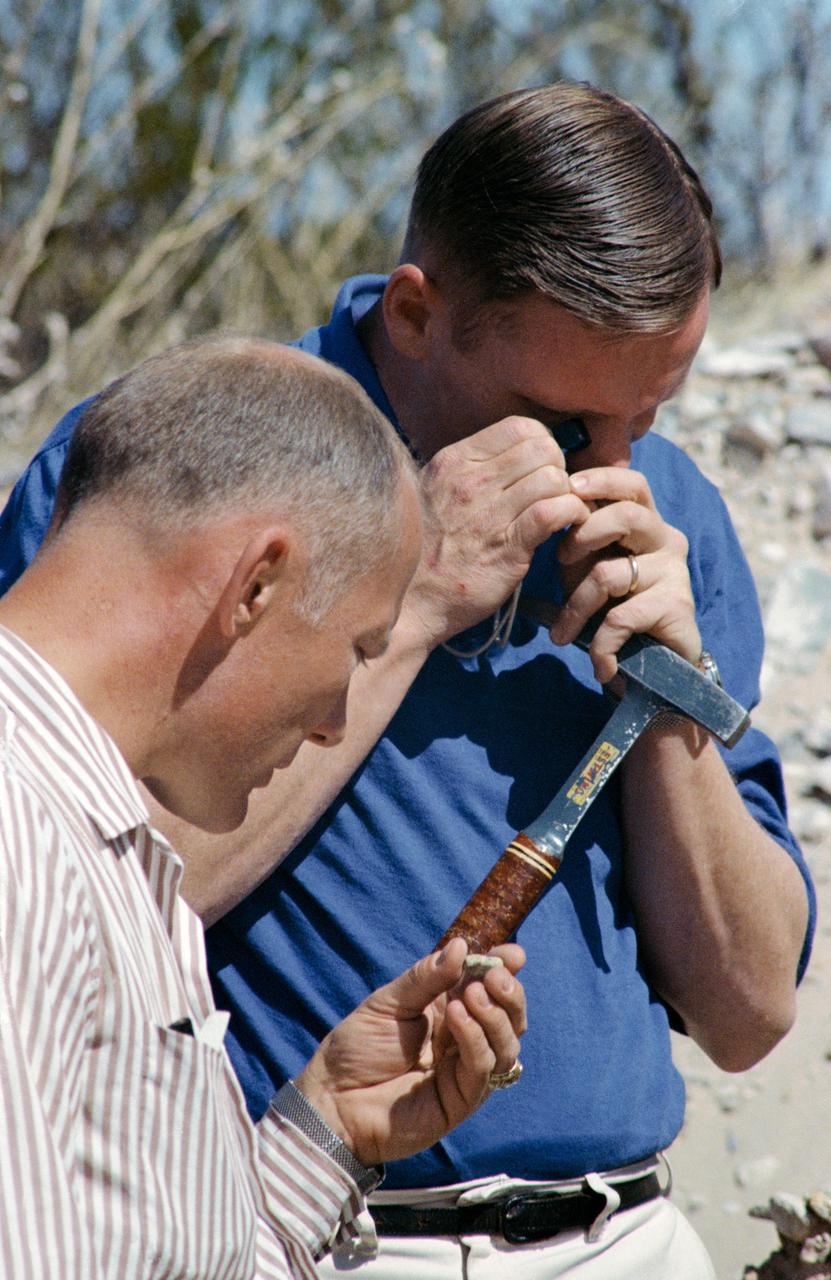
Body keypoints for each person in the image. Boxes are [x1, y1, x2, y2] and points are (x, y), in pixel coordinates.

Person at [0, 82, 815, 1277]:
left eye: (649, 416)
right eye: (563, 424)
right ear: (418, 311)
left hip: (627, 1232)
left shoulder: (669, 507)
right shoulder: (179, 461)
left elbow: (749, 1014)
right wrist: (419, 594)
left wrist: (669, 697)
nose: (610, 468)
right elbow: (72, 877)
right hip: (311, 1228)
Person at [0, 338, 529, 1279]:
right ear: (254, 584)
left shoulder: (95, 831)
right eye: (359, 648)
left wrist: (333, 1124)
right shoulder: (22, 843)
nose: (334, 723)